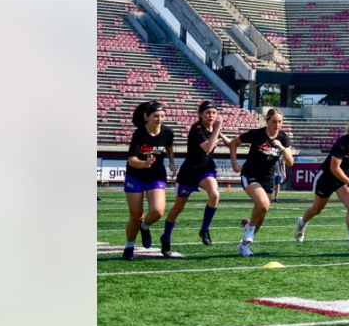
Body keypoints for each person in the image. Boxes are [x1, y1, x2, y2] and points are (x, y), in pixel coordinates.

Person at [163, 100, 229, 255]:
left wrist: (233, 156)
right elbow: (207, 148)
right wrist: (218, 130)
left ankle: (204, 229)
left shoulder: (213, 128)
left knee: (215, 194)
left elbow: (230, 143)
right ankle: (166, 238)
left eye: (214, 112)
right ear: (200, 114)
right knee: (178, 207)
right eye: (207, 113)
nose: (211, 116)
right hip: (189, 173)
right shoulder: (196, 129)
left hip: (205, 170)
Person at [226, 109, 295, 257]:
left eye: (280, 122)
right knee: (263, 204)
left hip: (267, 179)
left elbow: (290, 162)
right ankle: (249, 229)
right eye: (274, 121)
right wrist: (234, 163)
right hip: (250, 175)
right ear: (267, 120)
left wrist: (281, 147)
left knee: (261, 216)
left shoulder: (283, 138)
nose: (277, 125)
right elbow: (233, 143)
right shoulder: (257, 134)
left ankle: (244, 245)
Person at [295, 117, 349, 250]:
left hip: (343, 178)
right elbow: (334, 168)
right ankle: (302, 223)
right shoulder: (342, 143)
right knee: (317, 209)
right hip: (327, 177)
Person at [122, 101, 176, 260]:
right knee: (135, 217)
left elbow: (169, 146)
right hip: (135, 175)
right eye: (156, 116)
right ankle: (129, 245)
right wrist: (144, 164)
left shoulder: (167, 132)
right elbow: (132, 160)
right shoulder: (139, 134)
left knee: (158, 211)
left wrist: (172, 163)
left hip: (156, 175)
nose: (159, 119)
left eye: (162, 116)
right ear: (147, 117)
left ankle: (145, 227)